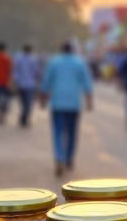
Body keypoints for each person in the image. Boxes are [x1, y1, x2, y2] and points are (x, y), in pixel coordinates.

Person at [40, 41, 94, 175]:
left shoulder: (54, 62)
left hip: (58, 103)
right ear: (72, 50)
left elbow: (46, 81)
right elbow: (87, 83)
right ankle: (68, 159)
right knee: (72, 132)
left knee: (58, 132)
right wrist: (89, 100)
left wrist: (43, 98)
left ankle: (59, 158)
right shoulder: (79, 63)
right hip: (73, 103)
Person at [12, 43, 41, 128]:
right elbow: (37, 72)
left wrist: (14, 82)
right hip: (30, 85)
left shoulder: (18, 58)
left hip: (20, 84)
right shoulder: (33, 59)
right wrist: (39, 80)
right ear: (31, 50)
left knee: (22, 103)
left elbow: (15, 71)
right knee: (28, 103)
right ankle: (24, 118)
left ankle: (23, 117)